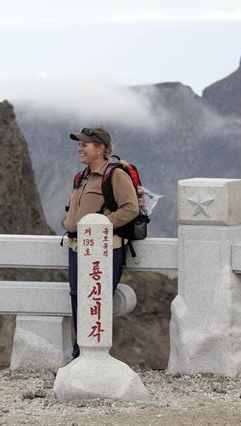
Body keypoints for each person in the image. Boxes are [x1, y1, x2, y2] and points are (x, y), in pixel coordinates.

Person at [61, 127, 139, 359]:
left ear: (100, 148)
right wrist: (67, 222)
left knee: (98, 298)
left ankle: (95, 354)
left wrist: (100, 226)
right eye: (79, 144)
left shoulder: (115, 175)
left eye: (84, 144)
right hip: (77, 247)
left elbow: (130, 208)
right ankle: (80, 353)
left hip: (107, 249)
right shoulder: (81, 177)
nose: (79, 148)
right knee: (77, 296)